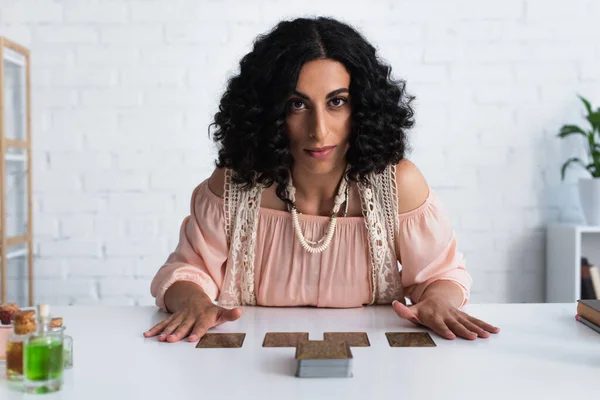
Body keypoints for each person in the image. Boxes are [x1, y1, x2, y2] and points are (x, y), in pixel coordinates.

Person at [143, 16, 499, 344]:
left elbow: (441, 275)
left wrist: (437, 301)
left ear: (363, 107)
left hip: (378, 365)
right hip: (250, 365)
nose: (319, 130)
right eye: (297, 105)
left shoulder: (397, 185)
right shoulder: (235, 185)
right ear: (268, 112)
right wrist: (192, 301)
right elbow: (188, 271)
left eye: (337, 102)